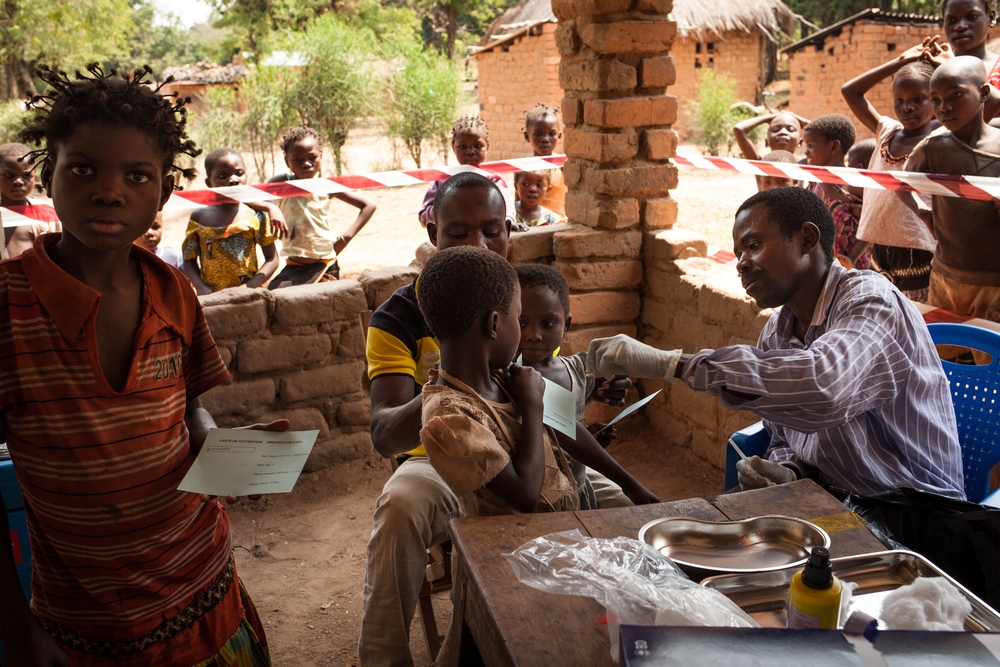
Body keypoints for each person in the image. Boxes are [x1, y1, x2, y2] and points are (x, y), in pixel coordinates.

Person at [0, 64, 275, 667]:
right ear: (49, 178)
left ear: (164, 193)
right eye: (83, 169)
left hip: (205, 590)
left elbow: (190, 415)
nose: (109, 190)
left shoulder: (175, 292)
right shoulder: (8, 307)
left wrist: (230, 452)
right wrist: (16, 628)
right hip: (86, 622)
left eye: (136, 175)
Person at [359, 172, 629, 667]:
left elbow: (553, 406)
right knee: (400, 505)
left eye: (490, 230)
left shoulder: (518, 298)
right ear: (432, 235)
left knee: (625, 505)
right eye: (458, 233)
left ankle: (595, 635)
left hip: (525, 444)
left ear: (509, 230)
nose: (479, 244)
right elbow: (383, 434)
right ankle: (383, 656)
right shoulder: (398, 317)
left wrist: (581, 391)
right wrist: (457, 382)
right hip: (438, 455)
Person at [587, 186, 965, 501]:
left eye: (753, 245)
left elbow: (825, 388)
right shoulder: (778, 331)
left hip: (915, 511)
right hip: (839, 503)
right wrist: (788, 469)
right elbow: (785, 432)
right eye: (738, 253)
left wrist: (675, 365)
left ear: (806, 239)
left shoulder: (870, 300)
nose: (741, 263)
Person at [515, 263, 637, 509]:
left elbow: (571, 430)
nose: (533, 335)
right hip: (540, 501)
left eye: (548, 324)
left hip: (579, 491)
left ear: (567, 325)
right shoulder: (509, 377)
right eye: (520, 322)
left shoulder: (579, 370)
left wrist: (589, 438)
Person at [898, 56, 1000, 322]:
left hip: (993, 282)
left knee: (988, 356)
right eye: (936, 100)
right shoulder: (933, 147)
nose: (944, 107)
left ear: (984, 93)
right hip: (945, 273)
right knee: (941, 354)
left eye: (956, 95)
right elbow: (899, 183)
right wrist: (923, 213)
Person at [842, 52, 940, 302]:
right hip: (878, 250)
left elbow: (989, 108)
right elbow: (850, 91)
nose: (907, 107)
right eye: (899, 100)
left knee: (918, 322)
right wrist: (900, 63)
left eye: (918, 99)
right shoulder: (887, 131)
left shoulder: (940, 138)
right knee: (884, 318)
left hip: (918, 251)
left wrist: (943, 68)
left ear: (936, 100)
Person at [267, 126, 376, 287]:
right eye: (298, 159)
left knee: (322, 303)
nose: (306, 163)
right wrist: (272, 209)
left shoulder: (326, 186)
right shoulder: (281, 184)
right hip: (294, 265)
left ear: (321, 156)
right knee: (277, 293)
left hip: (325, 263)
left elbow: (368, 206)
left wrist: (344, 239)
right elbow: (255, 201)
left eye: (312, 157)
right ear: (287, 161)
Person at [183, 147, 280, 293]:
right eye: (223, 176)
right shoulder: (199, 218)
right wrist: (201, 287)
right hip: (212, 297)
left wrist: (249, 287)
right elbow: (188, 259)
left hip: (248, 295)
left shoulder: (255, 215)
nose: (233, 180)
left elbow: (272, 259)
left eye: (239, 173)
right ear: (209, 182)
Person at [417, 116, 515, 229]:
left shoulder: (493, 179)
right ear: (453, 148)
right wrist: (446, 207)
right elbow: (424, 217)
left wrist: (509, 220)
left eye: (477, 146)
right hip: (452, 241)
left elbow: (507, 208)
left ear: (487, 147)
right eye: (462, 146)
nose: (470, 152)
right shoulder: (442, 180)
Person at [802, 114, 870, 270]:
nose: (806, 151)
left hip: (850, 268)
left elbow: (873, 224)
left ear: (833, 147)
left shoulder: (855, 185)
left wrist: (851, 257)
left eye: (811, 145)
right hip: (817, 266)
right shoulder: (814, 182)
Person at [1, 143, 59, 260]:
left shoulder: (47, 215)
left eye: (26, 174)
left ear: (35, 176)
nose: (18, 181)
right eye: (8, 175)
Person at [522, 103, 566, 217]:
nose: (545, 139)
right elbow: (518, 201)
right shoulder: (523, 166)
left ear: (559, 136)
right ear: (527, 136)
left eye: (551, 134)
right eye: (538, 134)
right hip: (534, 225)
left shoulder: (564, 165)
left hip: (560, 224)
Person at [733, 111, 810, 161]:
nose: (783, 132)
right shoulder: (760, 166)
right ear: (766, 142)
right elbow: (739, 129)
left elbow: (821, 133)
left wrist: (805, 122)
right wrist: (769, 118)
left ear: (800, 142)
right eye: (776, 130)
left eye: (791, 129)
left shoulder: (803, 166)